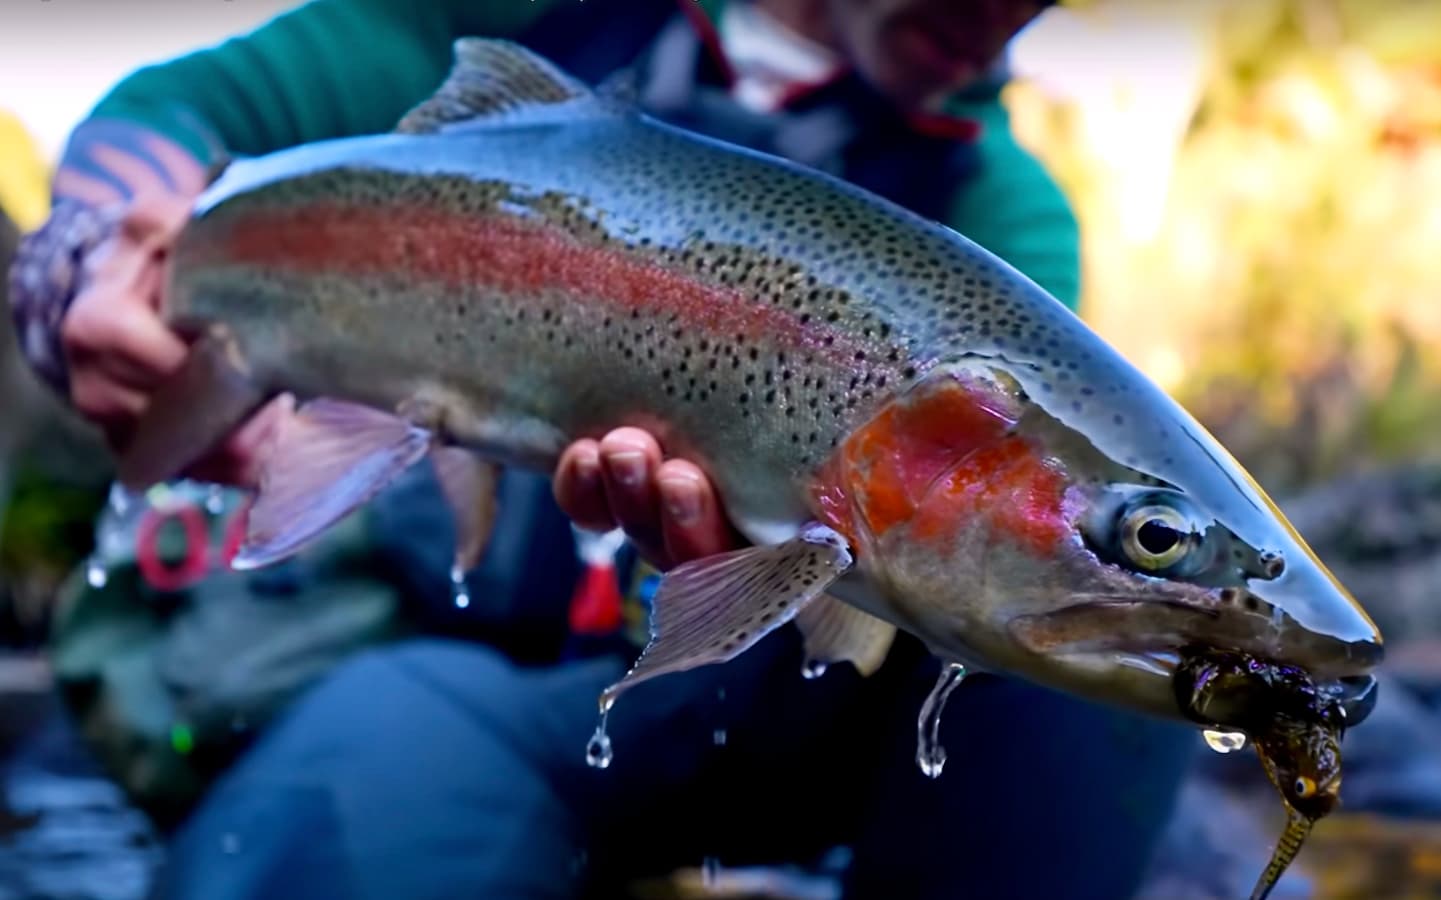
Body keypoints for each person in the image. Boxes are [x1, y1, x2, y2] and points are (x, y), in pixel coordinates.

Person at [9, 1, 1198, 897]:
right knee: (356, 795)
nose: (1004, 15)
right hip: (450, 666)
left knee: (1125, 634)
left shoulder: (999, 202)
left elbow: (1006, 518)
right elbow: (177, 111)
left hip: (762, 700)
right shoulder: (536, 8)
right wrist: (87, 264)